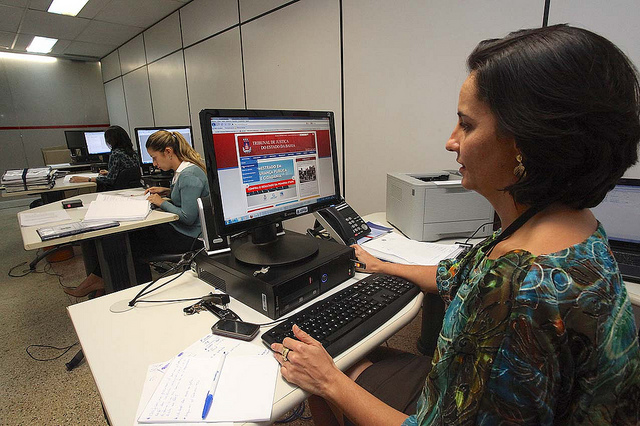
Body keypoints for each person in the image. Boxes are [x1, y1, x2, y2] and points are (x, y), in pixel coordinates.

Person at [270, 24, 640, 425]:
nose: (451, 141)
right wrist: (382, 266)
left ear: (525, 143)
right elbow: (456, 277)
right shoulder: (565, 225)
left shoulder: (523, 289)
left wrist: (328, 381)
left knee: (326, 372)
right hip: (460, 393)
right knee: (349, 355)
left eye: (467, 124)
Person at [65, 130, 208, 297]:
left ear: (168, 152)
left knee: (129, 239)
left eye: (155, 158)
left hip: (190, 237)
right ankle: (101, 279)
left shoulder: (189, 175)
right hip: (183, 230)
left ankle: (106, 281)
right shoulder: (184, 171)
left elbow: (188, 217)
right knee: (131, 235)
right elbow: (189, 197)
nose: (154, 163)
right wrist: (167, 191)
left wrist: (161, 202)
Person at [69, 125, 140, 190]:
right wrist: (110, 173)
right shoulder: (134, 153)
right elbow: (126, 174)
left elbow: (110, 181)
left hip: (118, 190)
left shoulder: (116, 154)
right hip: (131, 189)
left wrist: (88, 179)